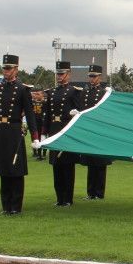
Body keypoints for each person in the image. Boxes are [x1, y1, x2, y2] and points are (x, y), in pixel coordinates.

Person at [0, 54, 40, 215]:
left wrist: (35, 136)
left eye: (9, 68)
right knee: (4, 170)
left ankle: (16, 207)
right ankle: (5, 206)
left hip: (14, 131)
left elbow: (30, 115)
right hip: (1, 132)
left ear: (16, 69)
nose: (6, 71)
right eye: (4, 68)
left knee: (16, 170)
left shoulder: (22, 90)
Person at [43, 61, 83, 206]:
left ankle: (68, 199)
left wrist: (75, 113)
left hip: (66, 131)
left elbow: (80, 111)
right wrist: (44, 133)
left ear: (68, 74)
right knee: (56, 167)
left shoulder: (74, 91)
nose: (59, 76)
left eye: (62, 74)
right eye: (58, 74)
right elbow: (47, 115)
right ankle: (59, 198)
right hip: (54, 130)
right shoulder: (52, 92)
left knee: (67, 166)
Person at [76, 64, 111, 200]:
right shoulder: (84, 92)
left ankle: (99, 192)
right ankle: (90, 192)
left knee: (100, 165)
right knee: (91, 164)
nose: (92, 79)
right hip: (89, 131)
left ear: (99, 77)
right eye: (90, 76)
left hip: (100, 131)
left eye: (94, 76)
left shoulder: (103, 93)